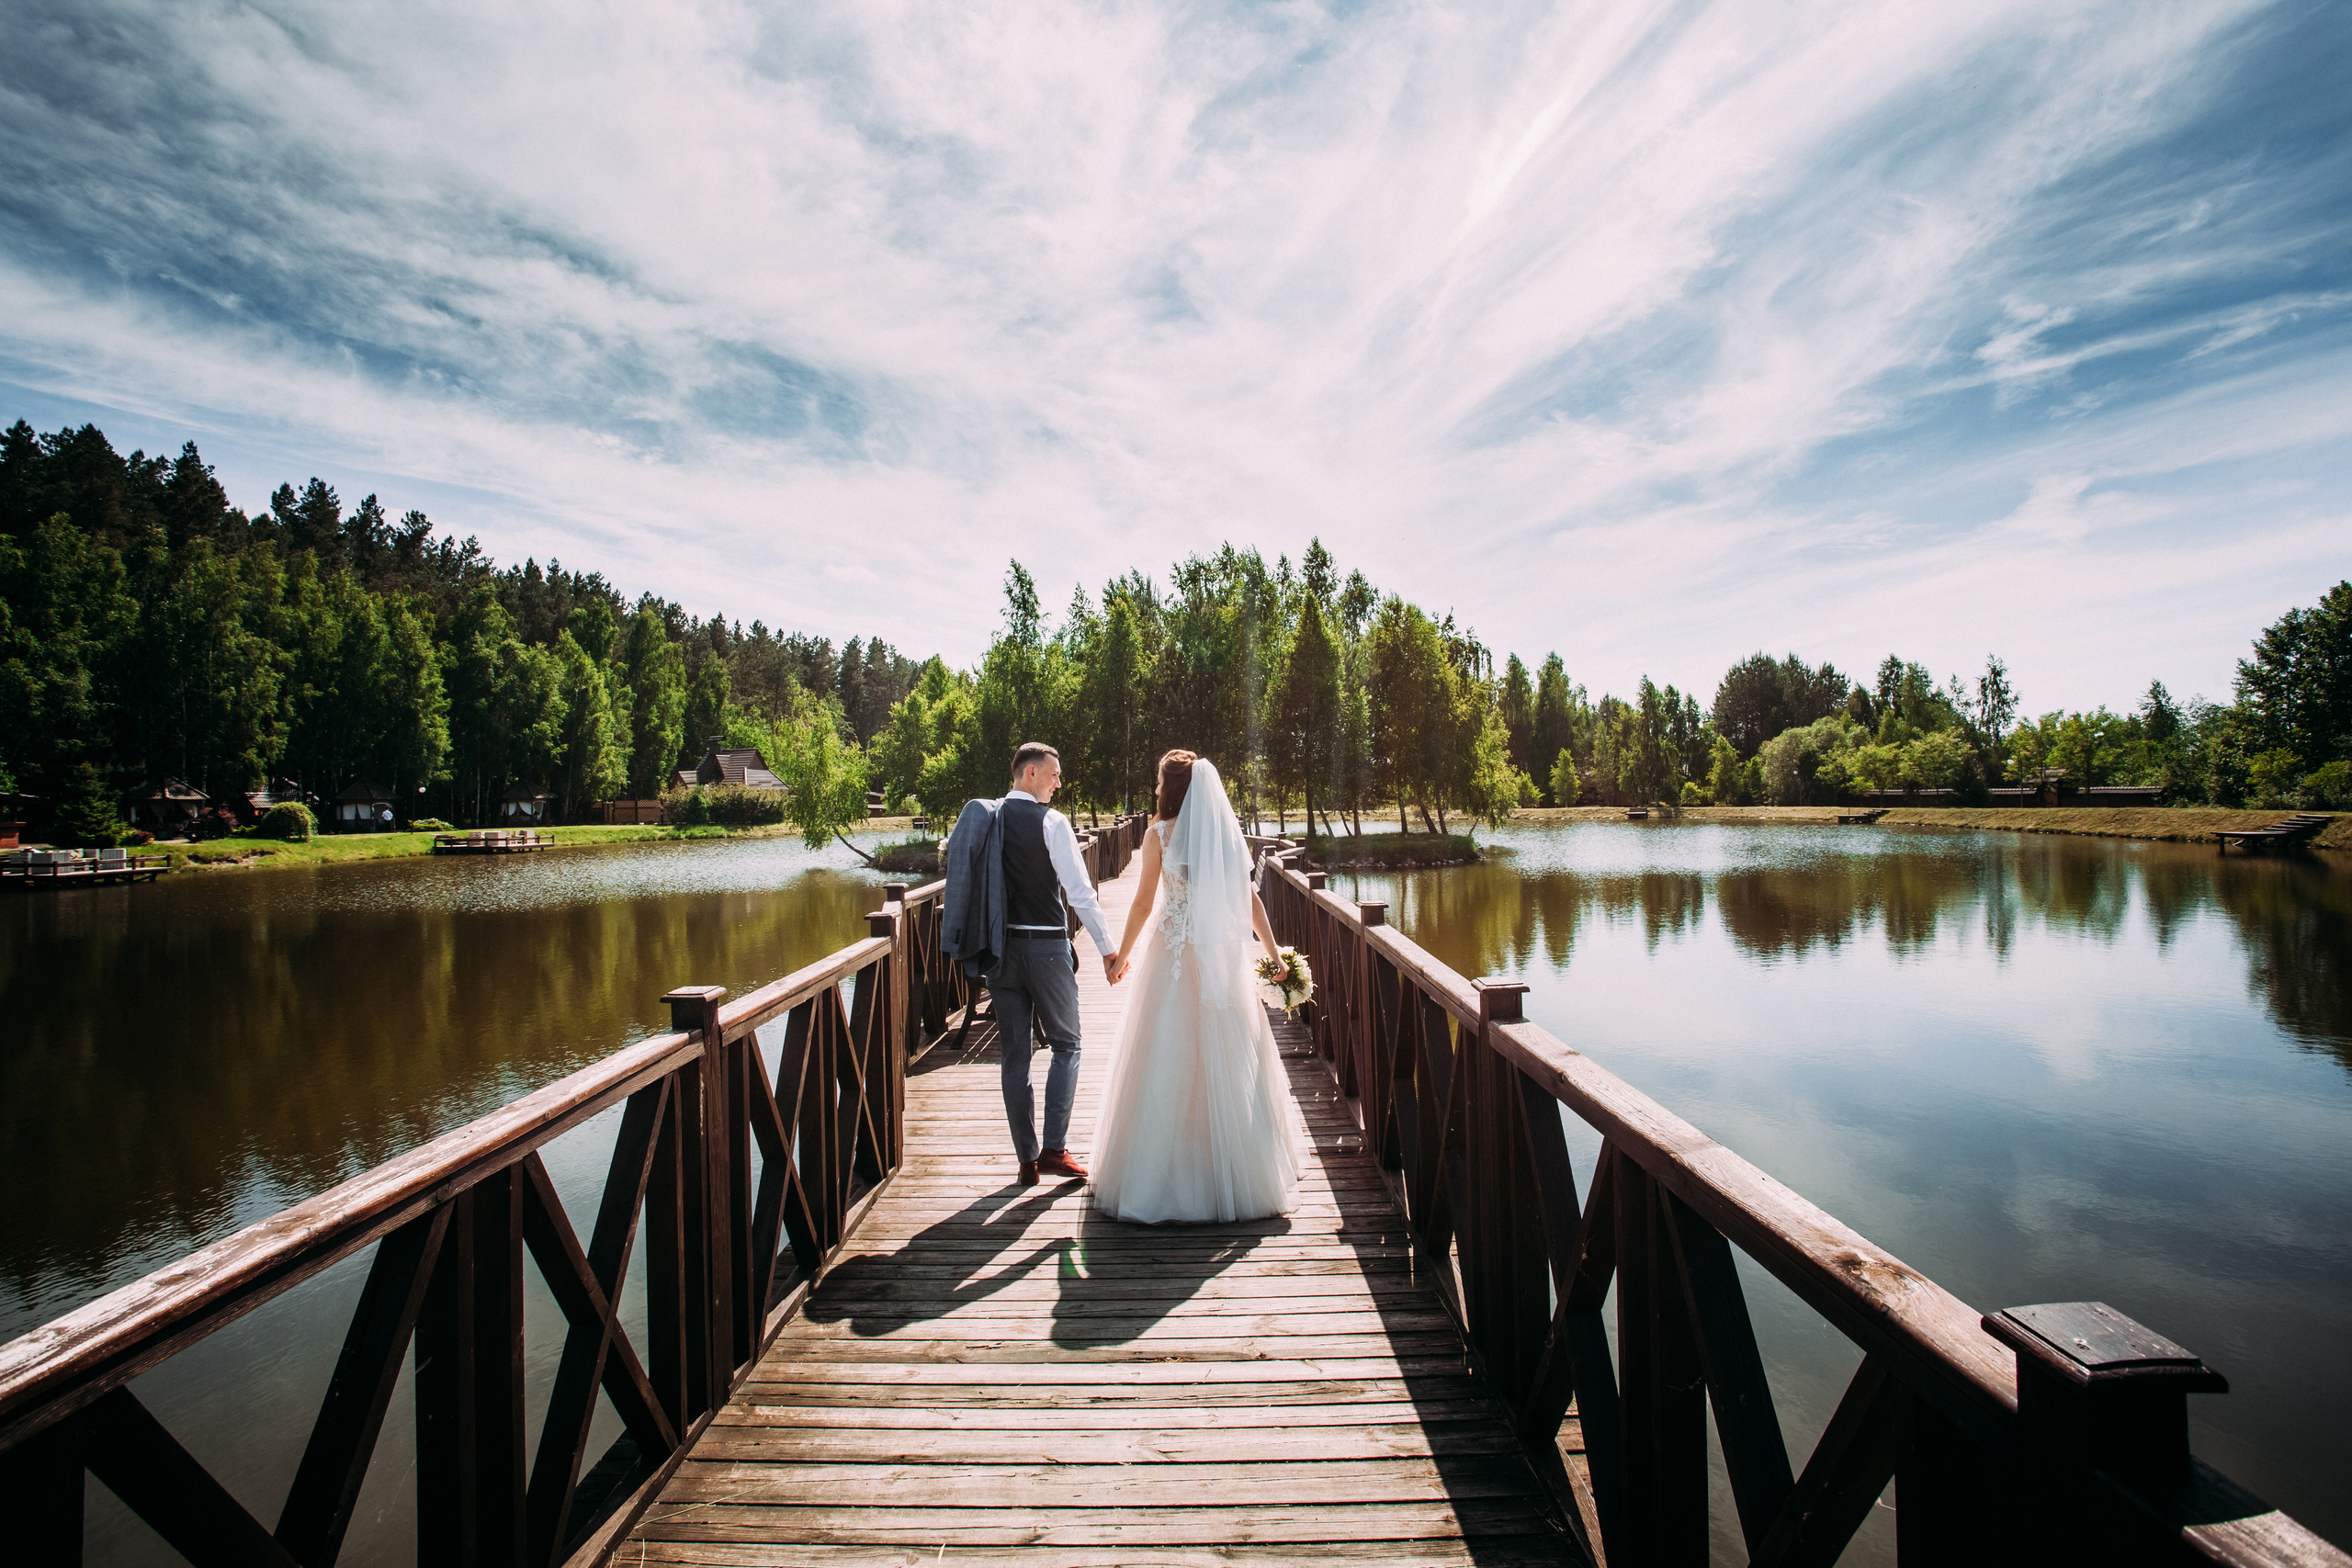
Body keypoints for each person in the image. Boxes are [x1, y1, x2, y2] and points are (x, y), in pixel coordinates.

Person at [1090, 751, 1302, 1224]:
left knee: (1166, 1053)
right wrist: (1272, 956)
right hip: (1217, 957)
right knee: (1225, 1054)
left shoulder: (1158, 836)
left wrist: (1119, 959)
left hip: (1172, 954)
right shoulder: (1223, 837)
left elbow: (1144, 903)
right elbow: (1250, 902)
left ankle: (1164, 1179)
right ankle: (1236, 1171)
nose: (1155, 789)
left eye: (1158, 781)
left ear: (1172, 787)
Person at [940, 741, 1121, 1187]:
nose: (1059, 783)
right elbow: (1080, 892)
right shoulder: (1053, 823)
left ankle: (1026, 1160)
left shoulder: (988, 819)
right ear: (1031, 774)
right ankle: (1054, 1149)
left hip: (1000, 953)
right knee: (1067, 1044)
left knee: (1015, 1057)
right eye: (1055, 774)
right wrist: (1108, 949)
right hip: (1045, 950)